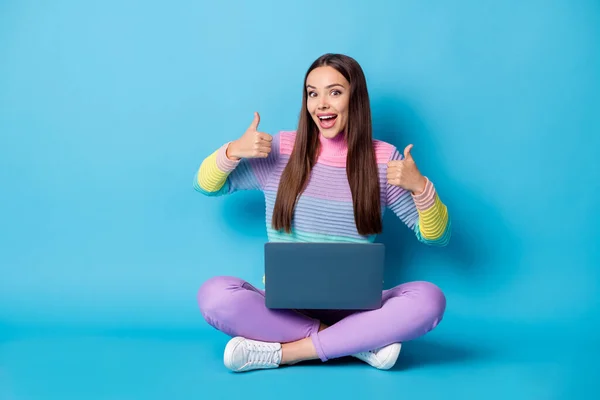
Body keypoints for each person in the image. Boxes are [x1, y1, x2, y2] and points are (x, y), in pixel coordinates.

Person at [193, 53, 451, 373]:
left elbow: (435, 236)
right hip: (286, 309)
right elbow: (206, 186)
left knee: (429, 299)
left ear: (355, 98)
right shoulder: (281, 149)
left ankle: (289, 352)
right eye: (312, 93)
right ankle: (356, 344)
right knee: (215, 295)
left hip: (358, 310)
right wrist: (231, 151)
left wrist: (420, 187)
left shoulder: (384, 158)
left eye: (335, 92)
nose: (321, 104)